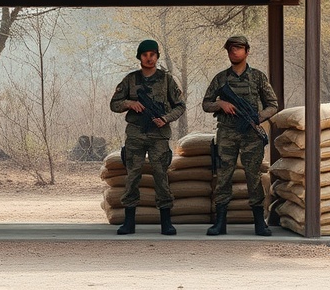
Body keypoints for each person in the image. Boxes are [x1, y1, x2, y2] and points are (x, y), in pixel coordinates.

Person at [202, 35, 278, 236]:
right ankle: (220, 223)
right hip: (227, 133)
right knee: (223, 176)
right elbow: (206, 104)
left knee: (253, 177)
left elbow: (273, 105)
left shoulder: (258, 77)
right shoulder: (220, 78)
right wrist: (221, 104)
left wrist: (257, 117)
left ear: (247, 51)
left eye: (238, 48)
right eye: (230, 49)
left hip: (251, 134)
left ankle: (259, 223)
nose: (233, 52)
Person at [110, 39, 186, 235]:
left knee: (161, 176)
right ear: (139, 57)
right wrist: (129, 103)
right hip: (135, 134)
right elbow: (114, 104)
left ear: (157, 56)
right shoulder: (130, 80)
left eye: (152, 54)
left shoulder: (167, 80)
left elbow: (180, 106)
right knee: (133, 176)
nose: (149, 58)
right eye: (145, 55)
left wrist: (165, 118)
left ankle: (166, 222)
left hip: (159, 135)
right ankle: (129, 222)